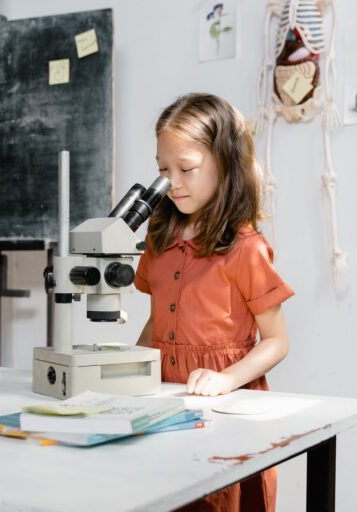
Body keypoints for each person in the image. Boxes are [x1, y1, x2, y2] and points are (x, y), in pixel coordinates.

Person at [134, 93, 294, 512]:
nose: (173, 182)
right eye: (163, 171)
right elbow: (155, 322)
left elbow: (276, 340)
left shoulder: (245, 248)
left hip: (224, 402)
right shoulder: (159, 239)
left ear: (224, 164)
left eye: (186, 169)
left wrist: (226, 379)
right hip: (166, 398)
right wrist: (131, 370)